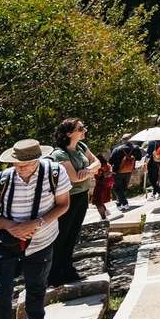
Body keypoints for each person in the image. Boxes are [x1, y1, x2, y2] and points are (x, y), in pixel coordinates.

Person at [0, 139, 71, 319]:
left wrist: (38, 223)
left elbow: (63, 204)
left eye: (25, 164)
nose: (19, 168)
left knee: (37, 287)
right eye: (16, 164)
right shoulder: (1, 180)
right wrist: (11, 226)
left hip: (42, 239)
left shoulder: (55, 173)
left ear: (38, 160)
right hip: (5, 242)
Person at [45, 118, 98, 287]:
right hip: (67, 198)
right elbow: (74, 177)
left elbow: (97, 162)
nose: (84, 130)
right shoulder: (59, 154)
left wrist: (88, 170)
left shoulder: (81, 147)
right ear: (69, 133)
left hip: (82, 195)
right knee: (62, 235)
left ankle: (68, 269)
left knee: (73, 234)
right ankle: (54, 274)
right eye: (80, 128)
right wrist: (91, 171)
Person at [105, 137, 142, 212]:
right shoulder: (136, 148)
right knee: (124, 187)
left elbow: (111, 161)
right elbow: (139, 158)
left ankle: (124, 203)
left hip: (117, 172)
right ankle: (119, 202)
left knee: (116, 188)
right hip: (128, 171)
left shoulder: (117, 149)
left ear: (122, 140)